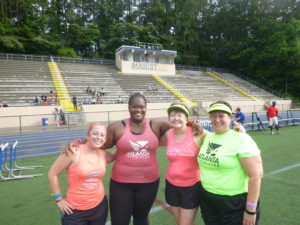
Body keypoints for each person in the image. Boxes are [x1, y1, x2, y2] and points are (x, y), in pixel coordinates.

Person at [198, 101, 263, 225]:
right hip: (208, 199)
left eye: (221, 115)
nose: (217, 119)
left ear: (231, 117)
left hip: (235, 202)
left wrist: (250, 210)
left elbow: (256, 176)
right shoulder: (208, 137)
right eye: (213, 116)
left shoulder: (242, 139)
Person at [48, 122, 115, 225]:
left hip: (100, 206)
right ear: (87, 135)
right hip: (74, 210)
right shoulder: (74, 151)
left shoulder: (103, 154)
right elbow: (52, 174)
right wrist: (59, 200)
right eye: (95, 133)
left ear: (105, 139)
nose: (98, 137)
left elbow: (118, 154)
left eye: (102, 135)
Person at [159, 103, 206, 225]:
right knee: (180, 221)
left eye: (179, 115)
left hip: (191, 187)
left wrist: (239, 132)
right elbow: (150, 141)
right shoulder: (168, 134)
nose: (175, 118)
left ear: (186, 118)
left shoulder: (198, 133)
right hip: (171, 185)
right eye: (172, 115)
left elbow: (219, 138)